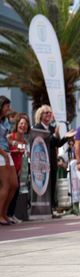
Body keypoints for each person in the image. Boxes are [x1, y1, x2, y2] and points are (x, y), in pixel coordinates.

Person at [33, 105, 71, 217]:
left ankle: (51, 209)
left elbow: (56, 144)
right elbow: (45, 142)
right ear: (40, 115)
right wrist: (54, 136)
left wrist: (66, 138)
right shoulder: (37, 127)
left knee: (52, 186)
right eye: (46, 113)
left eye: (50, 113)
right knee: (43, 187)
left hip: (52, 162)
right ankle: (41, 210)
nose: (49, 115)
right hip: (41, 163)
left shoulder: (52, 128)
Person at [6, 113, 30, 224]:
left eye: (25, 124)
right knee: (7, 191)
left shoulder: (25, 142)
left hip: (18, 169)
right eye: (21, 123)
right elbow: (6, 148)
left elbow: (24, 157)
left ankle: (11, 214)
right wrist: (15, 150)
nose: (23, 126)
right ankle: (5, 214)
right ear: (17, 125)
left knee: (15, 192)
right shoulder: (10, 136)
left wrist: (22, 170)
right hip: (8, 168)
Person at [0, 96, 18, 226]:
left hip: (7, 152)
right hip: (1, 154)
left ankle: (4, 213)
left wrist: (12, 143)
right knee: (5, 185)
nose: (9, 109)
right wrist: (4, 155)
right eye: (7, 106)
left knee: (14, 185)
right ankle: (0, 214)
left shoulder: (5, 120)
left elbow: (5, 137)